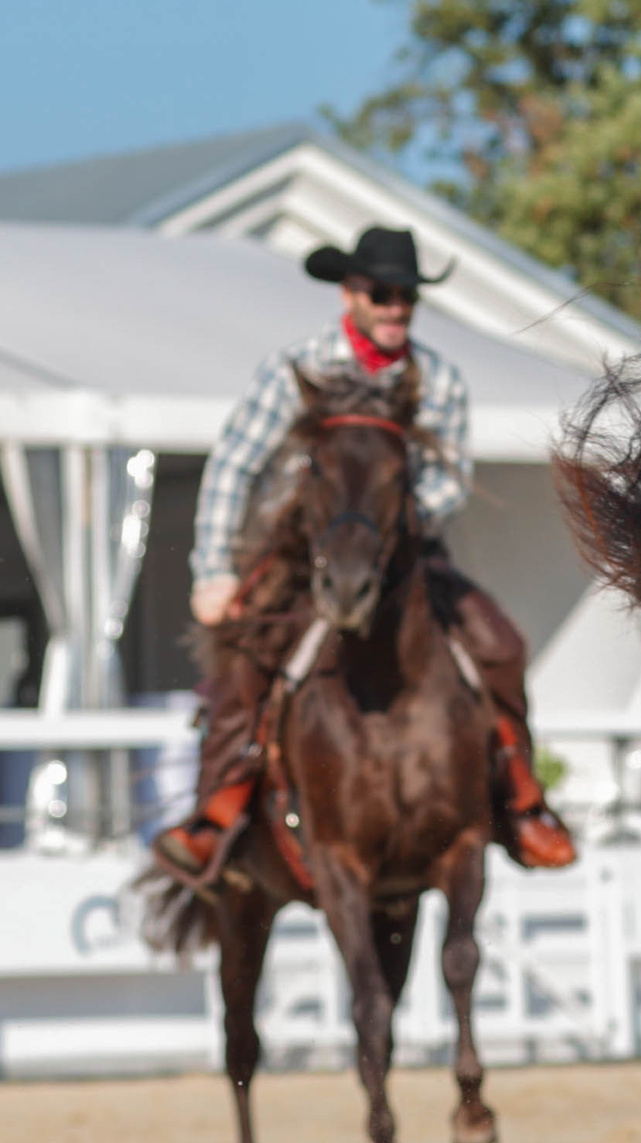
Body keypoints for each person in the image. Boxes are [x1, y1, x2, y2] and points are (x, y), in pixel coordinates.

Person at [150, 226, 576, 884]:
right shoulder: (299, 367)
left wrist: (386, 530)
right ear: (351, 293)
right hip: (299, 553)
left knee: (502, 646)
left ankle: (522, 800)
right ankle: (216, 813)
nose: (396, 307)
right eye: (382, 293)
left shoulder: (439, 380)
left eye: (407, 295)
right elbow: (234, 465)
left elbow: (449, 484)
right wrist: (213, 571)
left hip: (405, 555)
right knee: (244, 660)